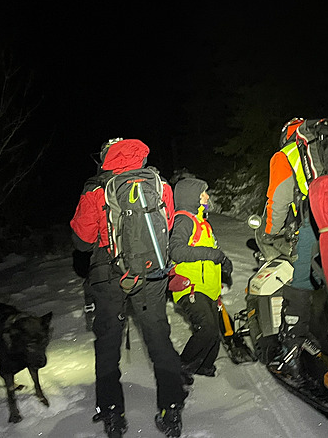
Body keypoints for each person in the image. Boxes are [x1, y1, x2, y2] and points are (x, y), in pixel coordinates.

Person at [70, 138, 186, 438]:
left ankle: (112, 414)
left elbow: (81, 241)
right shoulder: (159, 184)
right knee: (159, 338)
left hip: (109, 277)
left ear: (105, 157)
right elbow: (168, 224)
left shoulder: (96, 188)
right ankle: (171, 409)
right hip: (151, 275)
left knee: (108, 345)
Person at [261, 118, 319, 381]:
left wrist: (271, 232)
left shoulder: (286, 155)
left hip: (315, 223)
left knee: (300, 285)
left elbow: (279, 199)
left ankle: (291, 356)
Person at [168, 178, 232, 383]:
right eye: (203, 193)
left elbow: (210, 252)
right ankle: (181, 367)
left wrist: (223, 262)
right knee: (207, 328)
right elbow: (176, 250)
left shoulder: (202, 222)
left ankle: (203, 365)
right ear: (191, 196)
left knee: (213, 332)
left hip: (208, 288)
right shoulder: (183, 220)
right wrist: (213, 255)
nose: (207, 196)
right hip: (191, 286)